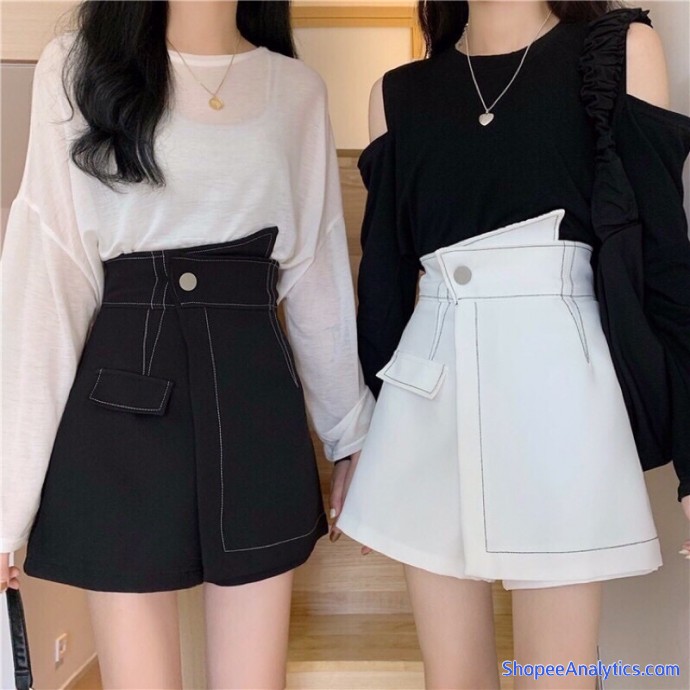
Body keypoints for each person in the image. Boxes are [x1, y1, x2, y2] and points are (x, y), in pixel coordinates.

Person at [0, 1, 373, 687]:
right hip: (121, 407)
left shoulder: (296, 91)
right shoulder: (77, 69)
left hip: (255, 406)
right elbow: (47, 282)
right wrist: (7, 504)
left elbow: (317, 278)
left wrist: (349, 436)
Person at [333, 2, 690, 688]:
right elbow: (381, 288)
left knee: (557, 675)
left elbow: (668, 267)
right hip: (427, 401)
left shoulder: (618, 52)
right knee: (453, 677)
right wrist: (358, 439)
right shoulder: (397, 94)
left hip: (563, 399)